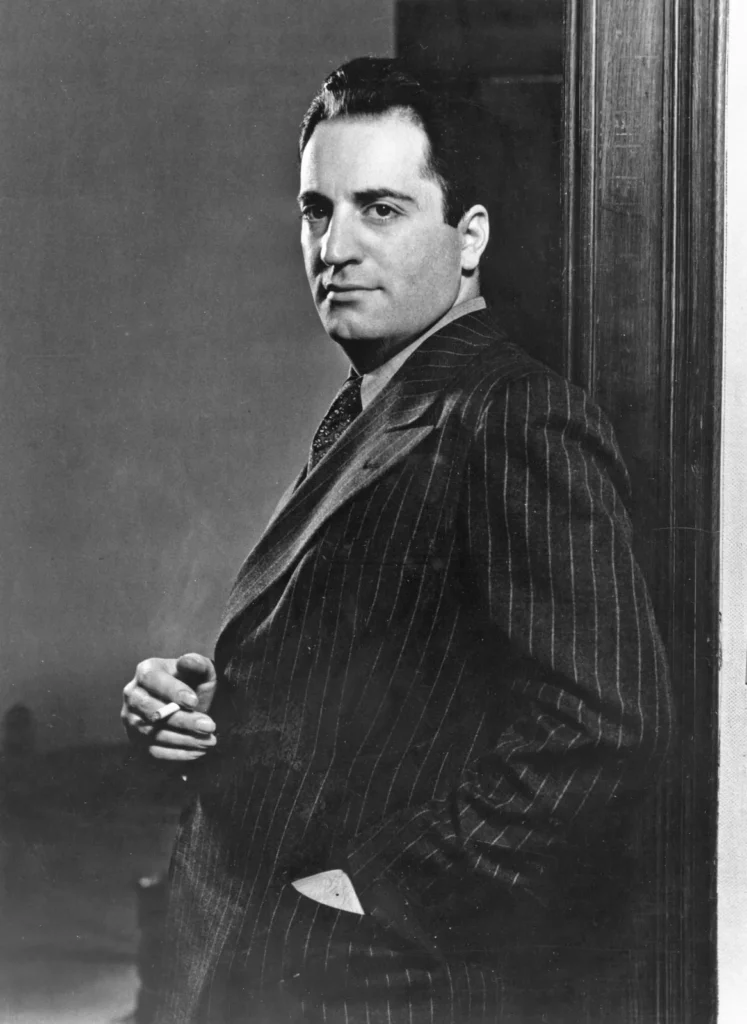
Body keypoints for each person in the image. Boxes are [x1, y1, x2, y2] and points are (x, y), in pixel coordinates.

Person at [122, 58, 672, 1024]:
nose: (334, 247)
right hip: (246, 948)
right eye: (316, 210)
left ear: (470, 238)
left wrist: (375, 891)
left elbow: (603, 722)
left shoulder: (512, 414)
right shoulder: (379, 400)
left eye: (380, 209)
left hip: (363, 980)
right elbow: (387, 671)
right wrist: (208, 707)